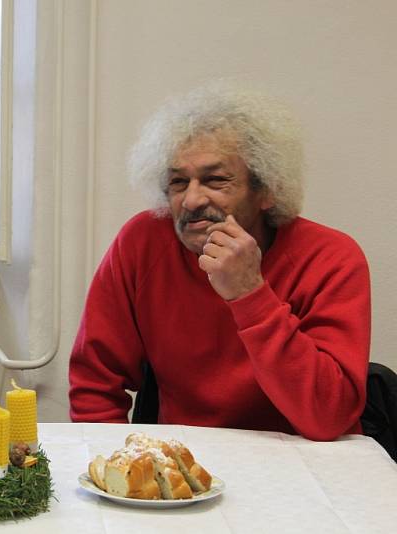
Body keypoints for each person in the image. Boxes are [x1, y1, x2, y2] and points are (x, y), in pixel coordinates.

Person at [68, 83, 371, 441]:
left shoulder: (331, 258)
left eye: (215, 180)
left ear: (267, 190)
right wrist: (123, 466)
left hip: (304, 465)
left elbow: (329, 417)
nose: (192, 199)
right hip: (188, 465)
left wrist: (250, 293)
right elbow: (94, 385)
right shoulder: (142, 243)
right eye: (178, 182)